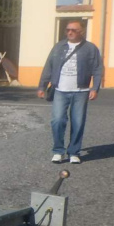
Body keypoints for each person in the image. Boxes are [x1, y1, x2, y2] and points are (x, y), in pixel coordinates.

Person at [37, 19, 103, 164]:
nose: (70, 32)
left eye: (74, 30)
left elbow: (98, 69)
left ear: (82, 31)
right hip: (60, 90)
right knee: (57, 121)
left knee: (78, 122)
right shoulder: (59, 47)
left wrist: (95, 88)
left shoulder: (91, 48)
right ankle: (58, 151)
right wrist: (42, 86)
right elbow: (49, 66)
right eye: (68, 30)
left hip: (82, 91)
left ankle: (74, 152)